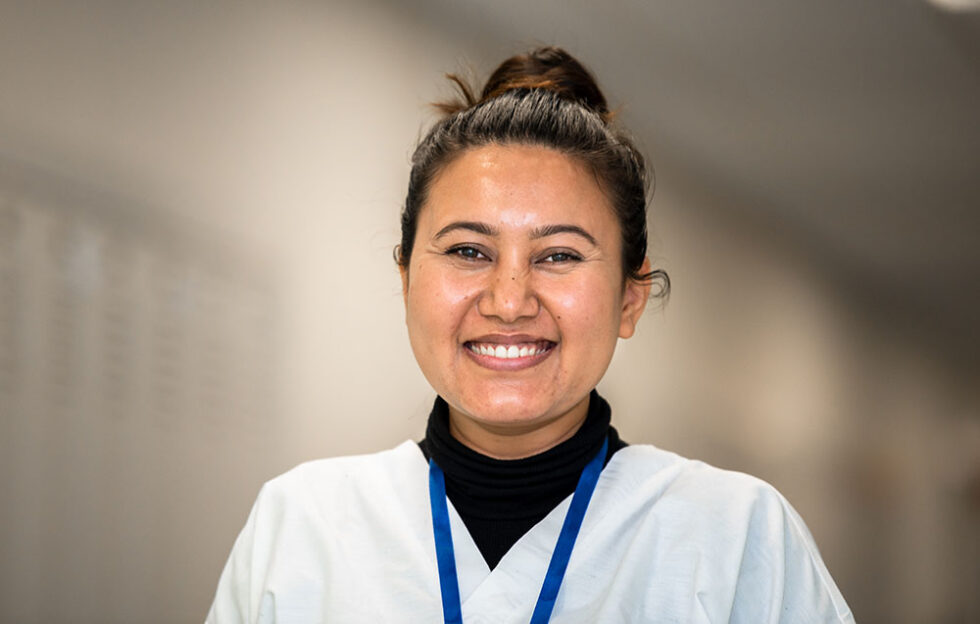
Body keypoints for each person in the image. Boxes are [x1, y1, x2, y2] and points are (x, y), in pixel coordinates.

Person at [206, 47, 854, 623]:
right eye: (468, 250)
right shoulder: (302, 527)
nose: (509, 301)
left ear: (630, 298)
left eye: (559, 256)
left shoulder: (733, 539)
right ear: (405, 280)